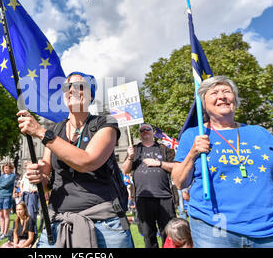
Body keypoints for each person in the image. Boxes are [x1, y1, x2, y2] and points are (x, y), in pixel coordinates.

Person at [172, 75, 273, 248]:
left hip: (271, 230)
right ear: (203, 105)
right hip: (214, 230)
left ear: (235, 100)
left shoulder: (260, 133)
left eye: (226, 91)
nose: (221, 96)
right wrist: (193, 152)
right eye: (214, 93)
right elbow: (179, 182)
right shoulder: (193, 135)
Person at [17, 71, 133, 248]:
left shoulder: (106, 123)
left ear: (91, 95)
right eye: (66, 87)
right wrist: (38, 175)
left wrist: (40, 132)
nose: (70, 90)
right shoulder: (55, 130)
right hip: (58, 223)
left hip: (105, 225)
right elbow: (47, 180)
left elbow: (87, 162)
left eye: (79, 86)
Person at [122, 123, 176, 248]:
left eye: (148, 129)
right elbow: (125, 170)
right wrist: (130, 158)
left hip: (164, 197)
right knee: (148, 234)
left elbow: (175, 167)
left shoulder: (163, 148)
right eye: (142, 130)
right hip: (142, 197)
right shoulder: (135, 149)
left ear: (153, 132)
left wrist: (158, 163)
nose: (145, 131)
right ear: (139, 134)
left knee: (168, 233)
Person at [0, 162, 16, 240]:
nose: (5, 169)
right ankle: (1, 231)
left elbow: (6, 184)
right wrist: (1, 185)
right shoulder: (2, 176)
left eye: (7, 168)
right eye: (4, 168)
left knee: (6, 215)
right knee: (1, 215)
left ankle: (5, 233)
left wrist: (1, 185)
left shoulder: (12, 176)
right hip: (0, 196)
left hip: (7, 196)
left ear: (11, 169)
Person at [20, 161, 39, 232]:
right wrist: (22, 190)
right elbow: (21, 183)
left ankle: (34, 232)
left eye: (28, 165)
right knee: (24, 213)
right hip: (25, 195)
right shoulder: (25, 174)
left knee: (31, 214)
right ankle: (25, 231)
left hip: (32, 195)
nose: (26, 166)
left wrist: (36, 189)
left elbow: (40, 185)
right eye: (25, 165)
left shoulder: (36, 173)